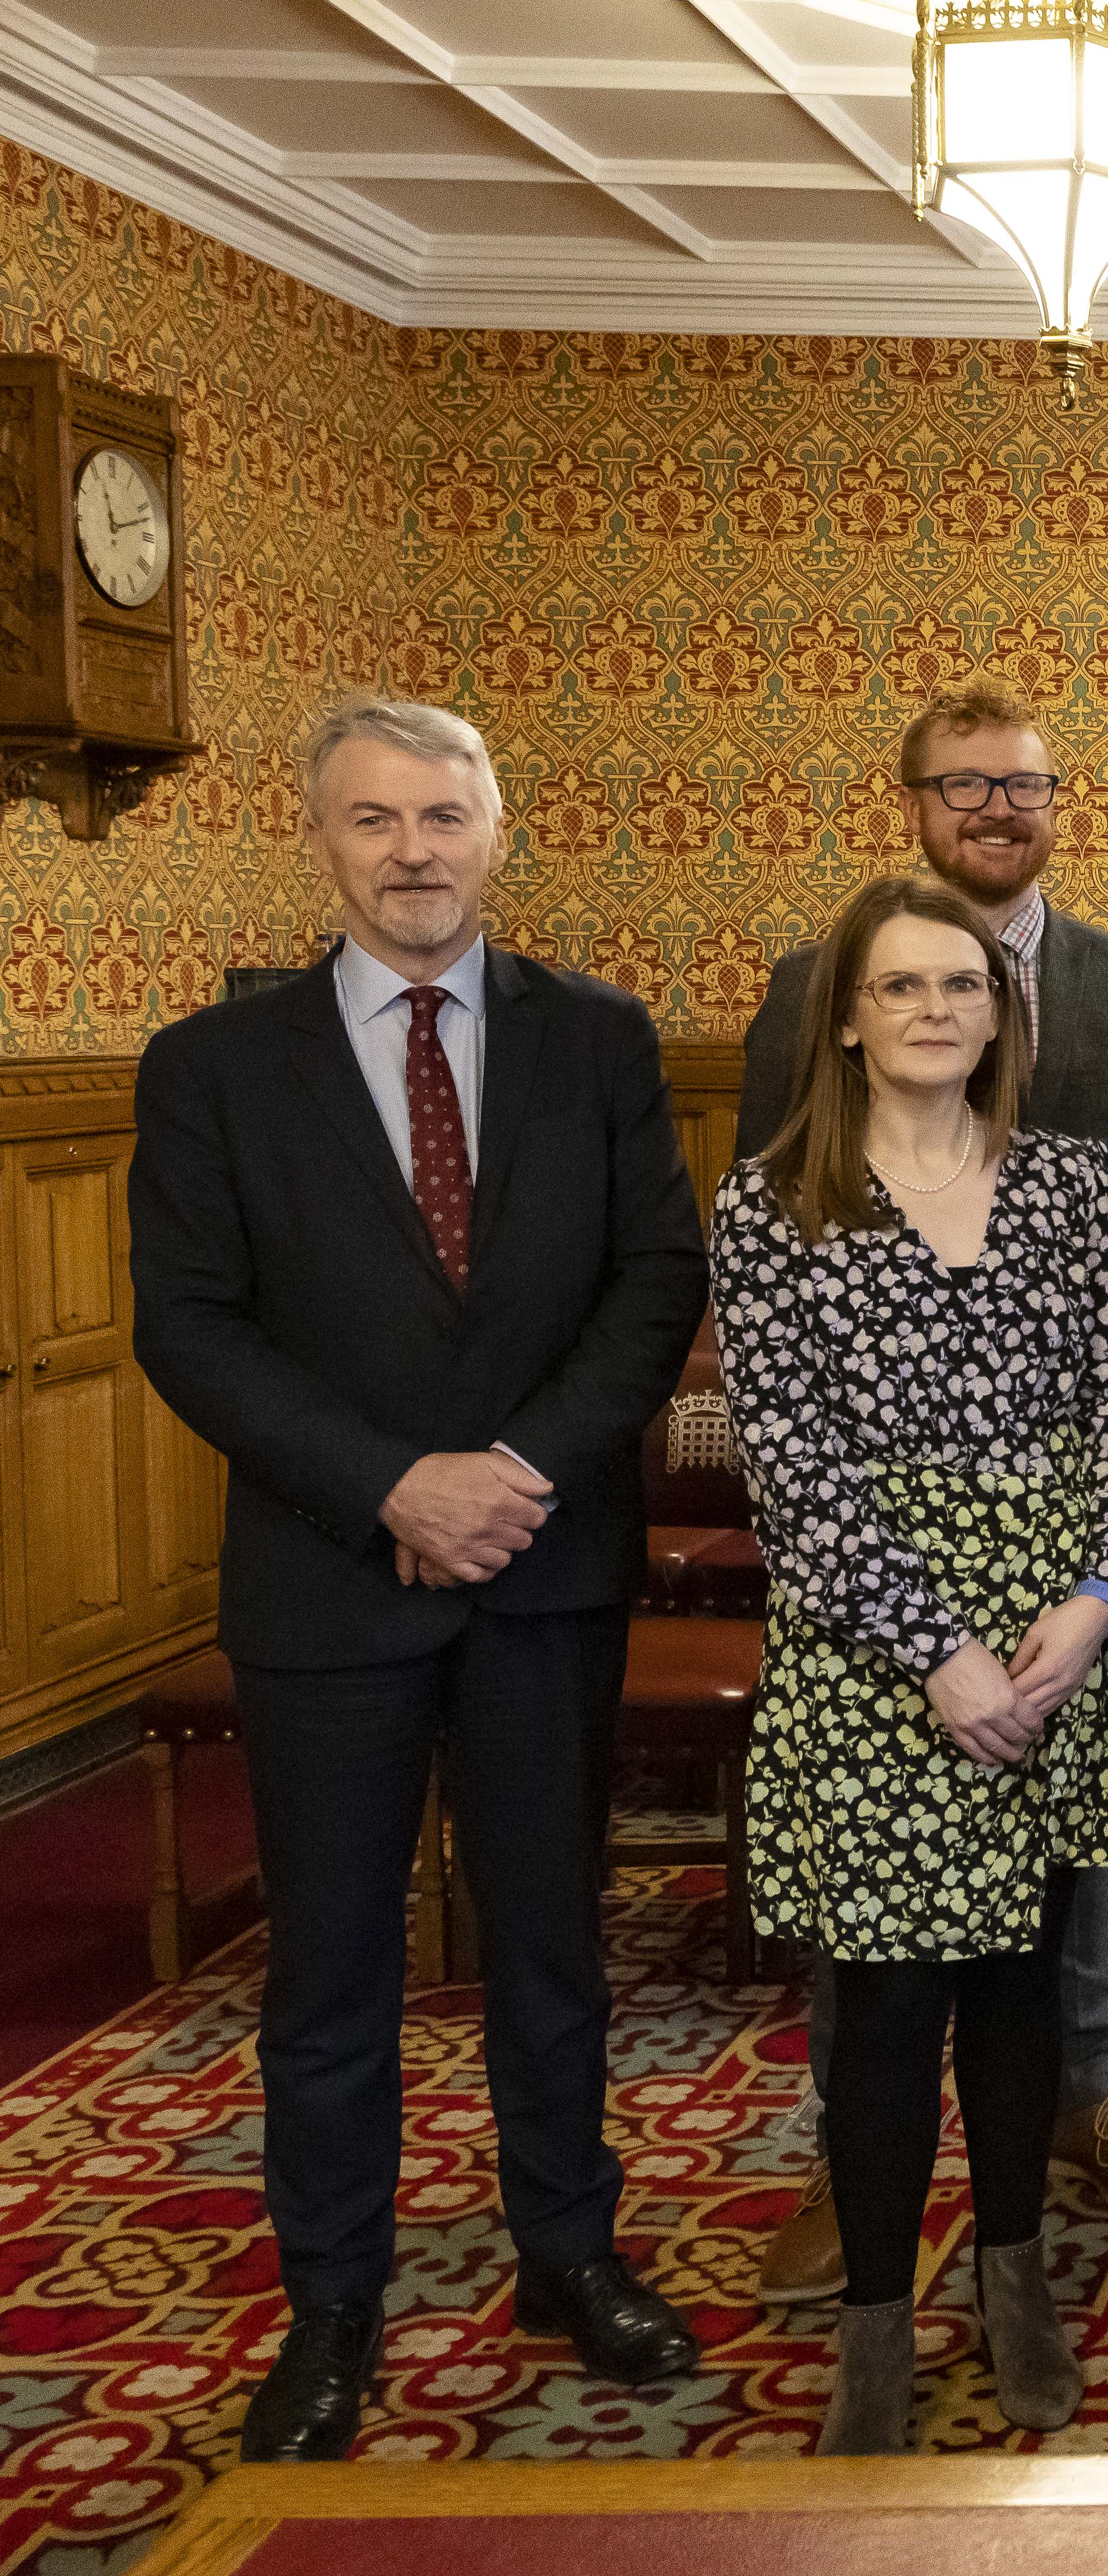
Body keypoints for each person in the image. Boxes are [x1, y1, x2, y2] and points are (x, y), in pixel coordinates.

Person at [130, 694, 709, 2459]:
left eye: (444, 815)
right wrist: (391, 1481)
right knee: (331, 1973)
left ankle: (566, 2247)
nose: (413, 851)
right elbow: (191, 1328)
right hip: (330, 1579)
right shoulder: (213, 1067)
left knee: (551, 1943)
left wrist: (516, 1474)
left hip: (542, 1569)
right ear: (323, 837)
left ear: (496, 830)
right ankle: (332, 2300)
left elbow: (653, 1280)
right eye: (375, 819)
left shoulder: (600, 1041)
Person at [734, 682, 1108, 2305]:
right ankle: (845, 2164)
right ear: (914, 801)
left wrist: (1075, 1565)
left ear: (1057, 798)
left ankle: (1086, 2101)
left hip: (1049, 1512)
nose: (994, 808)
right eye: (962, 785)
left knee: (1061, 1874)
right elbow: (782, 1213)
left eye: (1022, 783)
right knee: (876, 1922)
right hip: (874, 1561)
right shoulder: (810, 985)